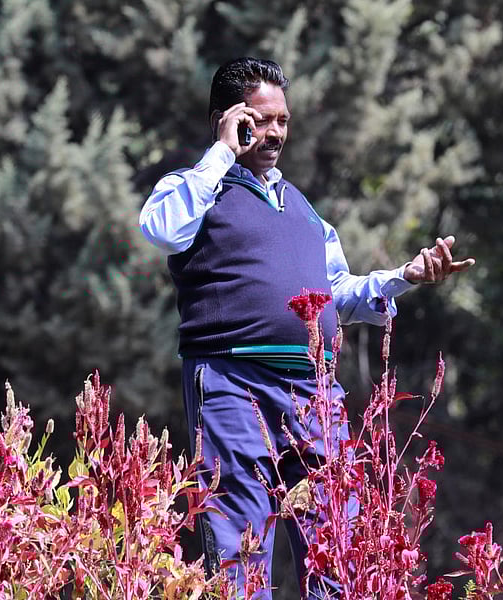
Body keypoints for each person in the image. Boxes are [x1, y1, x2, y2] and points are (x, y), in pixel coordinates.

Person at [139, 57, 473, 599]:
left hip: (313, 394)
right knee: (240, 548)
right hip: (232, 383)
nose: (274, 133)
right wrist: (222, 152)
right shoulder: (193, 188)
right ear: (227, 118)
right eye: (260, 119)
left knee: (338, 545)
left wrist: (404, 277)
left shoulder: (303, 210)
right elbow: (161, 229)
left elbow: (337, 292)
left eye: (283, 121)